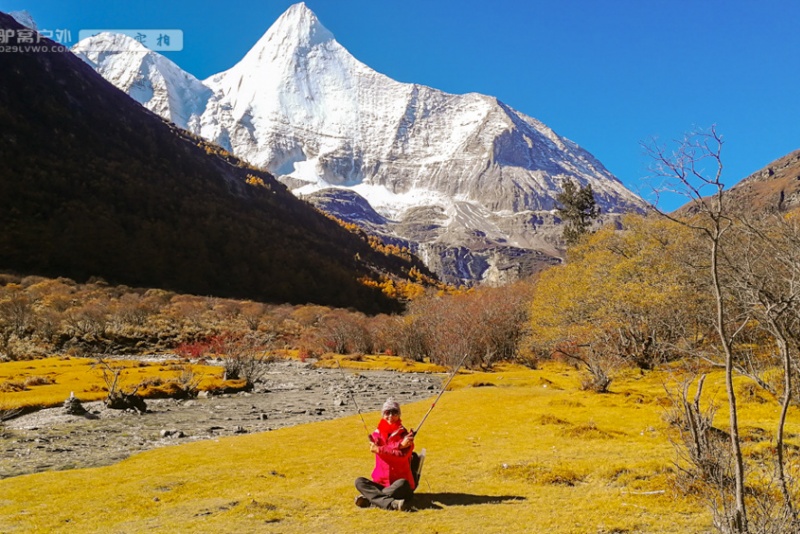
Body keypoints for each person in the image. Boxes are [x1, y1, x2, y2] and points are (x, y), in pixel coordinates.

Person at [354, 398, 416, 511]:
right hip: (381, 483)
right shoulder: (377, 434)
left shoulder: (407, 436)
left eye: (394, 412)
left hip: (399, 485)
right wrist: (399, 445)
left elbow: (400, 456)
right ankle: (392, 504)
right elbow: (386, 449)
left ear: (399, 415)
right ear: (383, 414)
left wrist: (380, 449)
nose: (391, 416)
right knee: (359, 482)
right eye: (387, 412)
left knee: (402, 484)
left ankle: (371, 499)